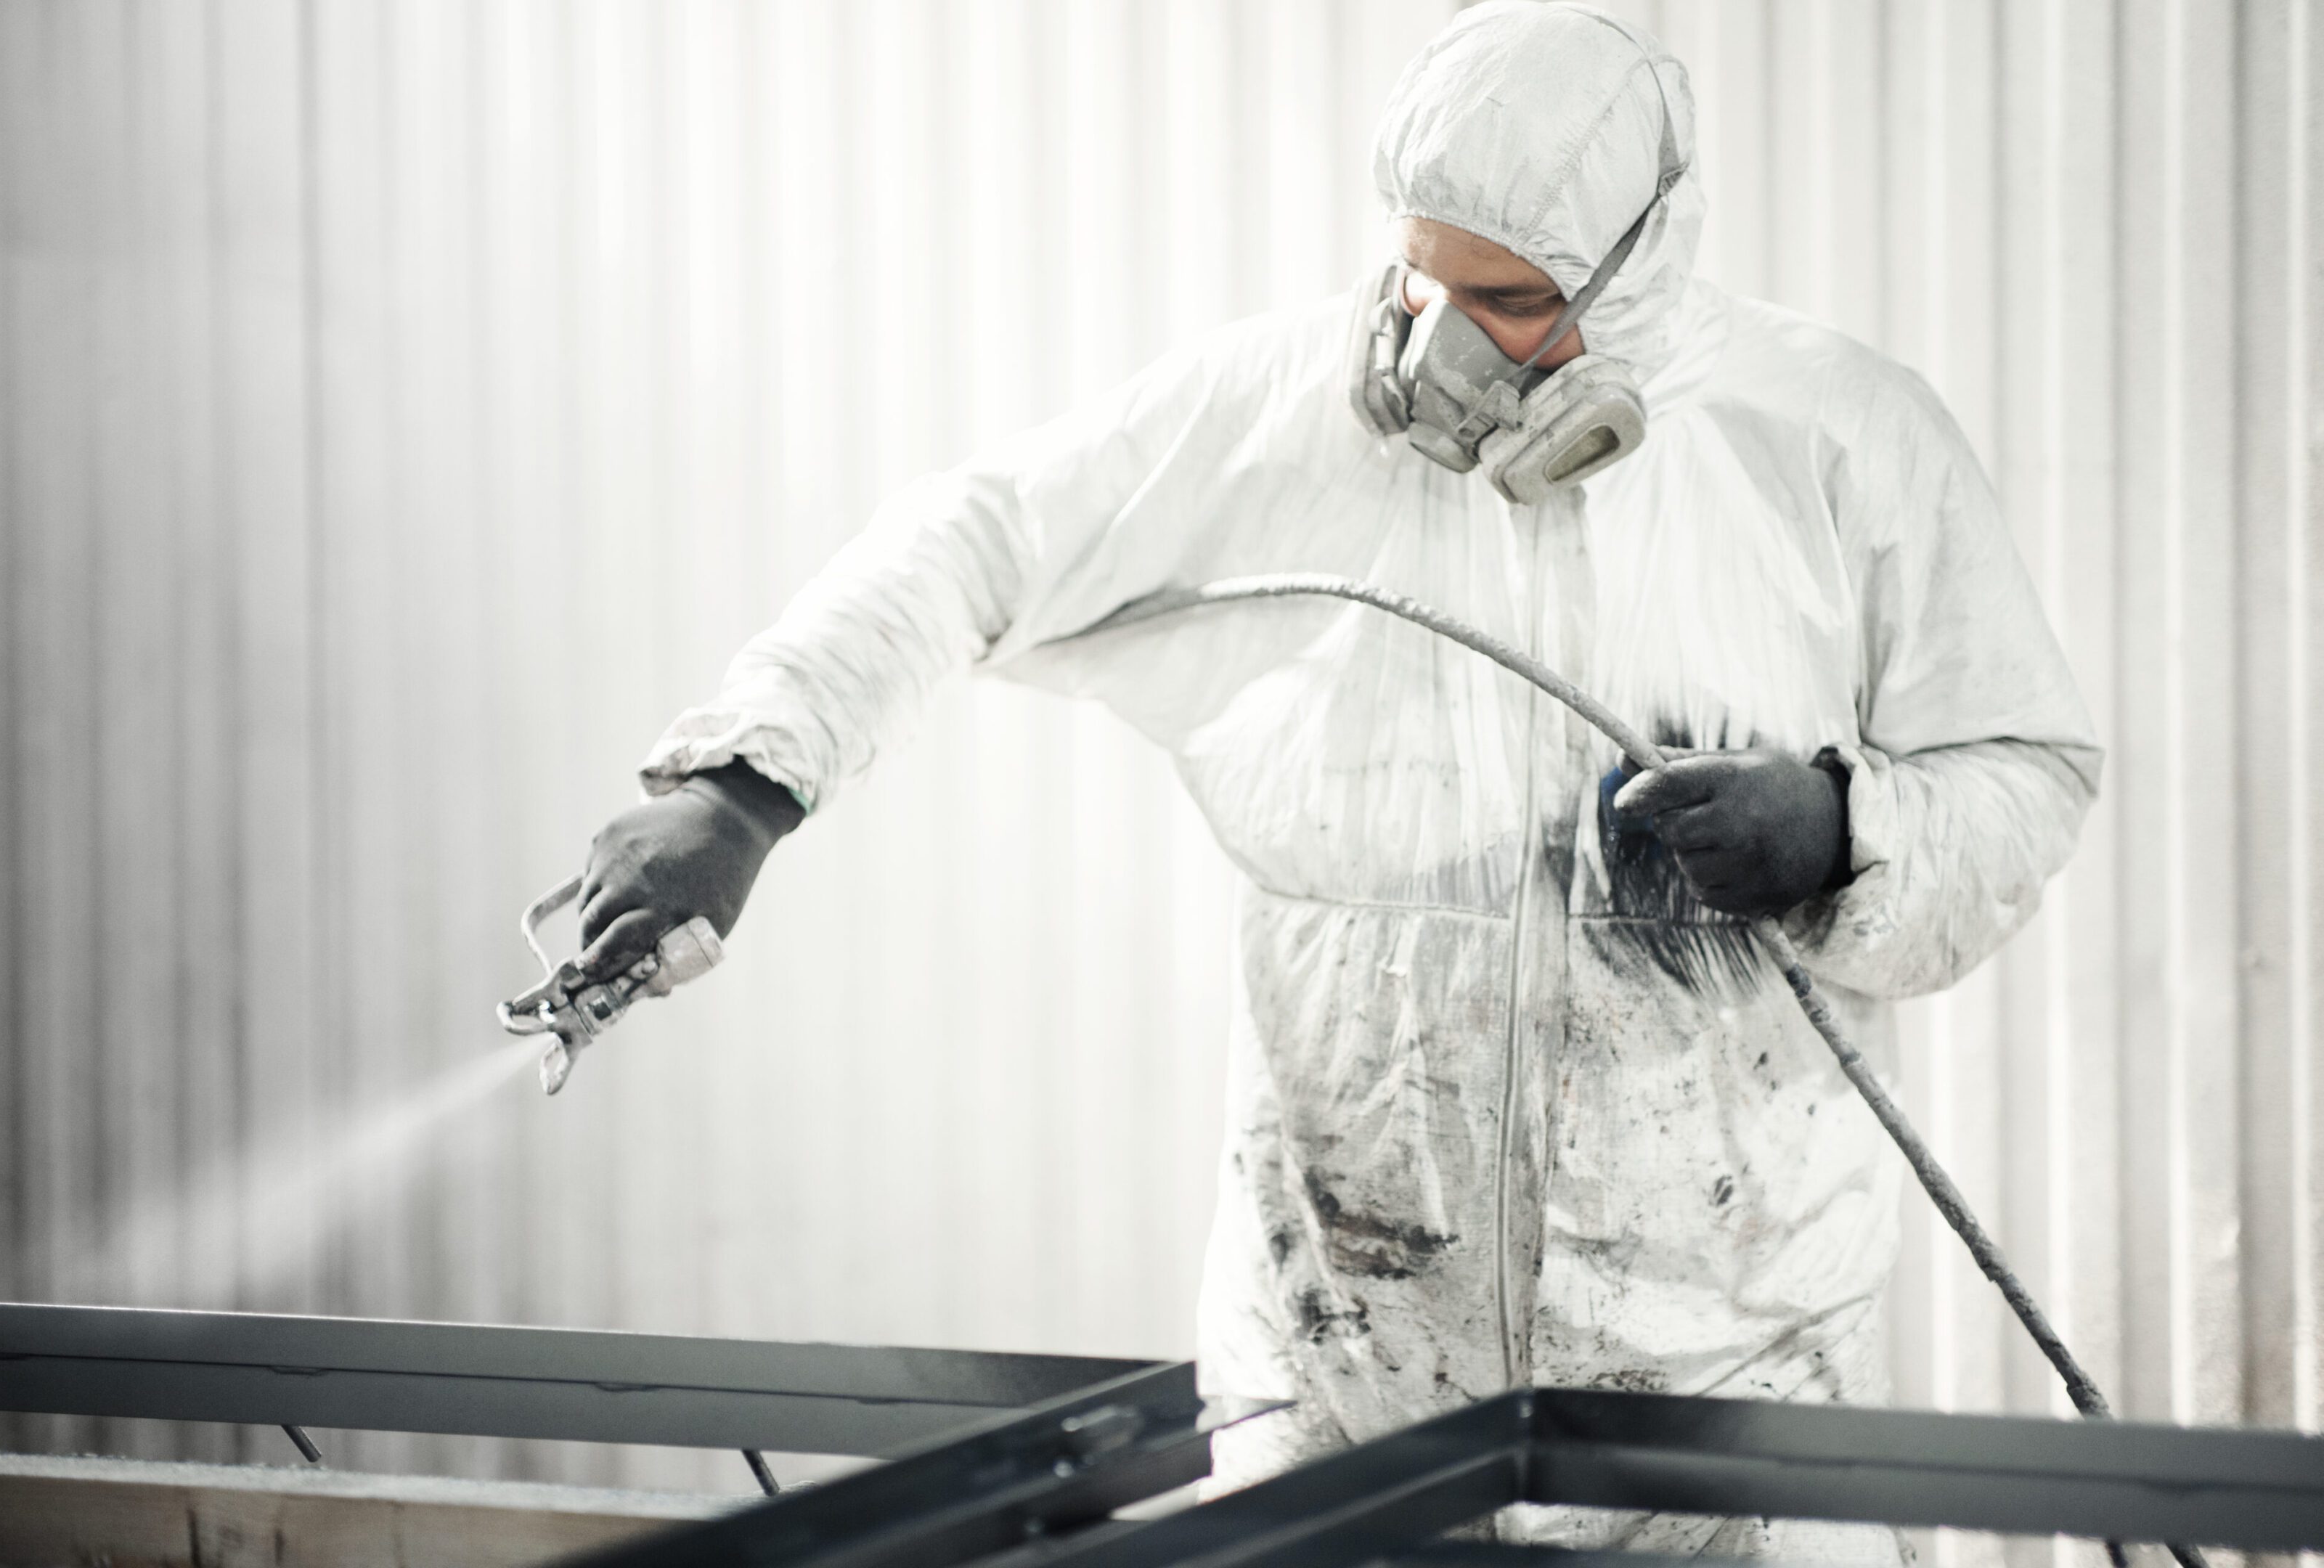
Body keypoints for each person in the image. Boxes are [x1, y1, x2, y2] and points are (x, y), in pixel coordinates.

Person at [572, 5, 2098, 1557]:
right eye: (1423, 279)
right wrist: (747, 784)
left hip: (1737, 1393)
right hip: (1343, 1378)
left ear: (1636, 267)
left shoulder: (1835, 436)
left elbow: (2027, 769)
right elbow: (981, 540)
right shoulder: (1288, 412)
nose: (1441, 345)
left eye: (1508, 301)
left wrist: (1840, 832)